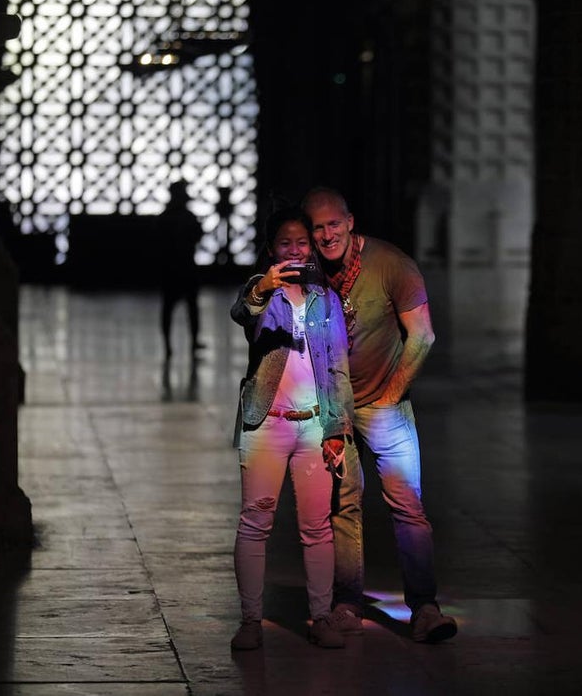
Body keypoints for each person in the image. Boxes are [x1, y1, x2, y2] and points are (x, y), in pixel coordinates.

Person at [300, 187, 457, 644]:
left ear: (350, 223)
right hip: (336, 409)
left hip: (386, 406)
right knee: (343, 506)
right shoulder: (310, 271)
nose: (327, 235)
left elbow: (422, 336)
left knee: (407, 506)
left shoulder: (390, 264)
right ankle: (348, 603)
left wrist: (390, 396)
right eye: (317, 228)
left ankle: (424, 608)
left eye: (334, 224)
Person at [228, 206, 355, 651]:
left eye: (302, 242)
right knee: (255, 522)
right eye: (286, 243)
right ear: (271, 249)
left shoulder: (326, 299)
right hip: (266, 424)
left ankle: (321, 617)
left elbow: (338, 367)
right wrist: (263, 287)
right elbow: (242, 312)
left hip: (314, 427)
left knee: (318, 528)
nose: (295, 250)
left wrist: (337, 428)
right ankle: (250, 621)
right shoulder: (263, 292)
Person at [159, 180, 204, 359]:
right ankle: (193, 343)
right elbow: (198, 235)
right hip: (187, 268)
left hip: (170, 269)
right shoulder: (188, 217)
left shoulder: (164, 217)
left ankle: (168, 346)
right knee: (192, 307)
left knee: (168, 308)